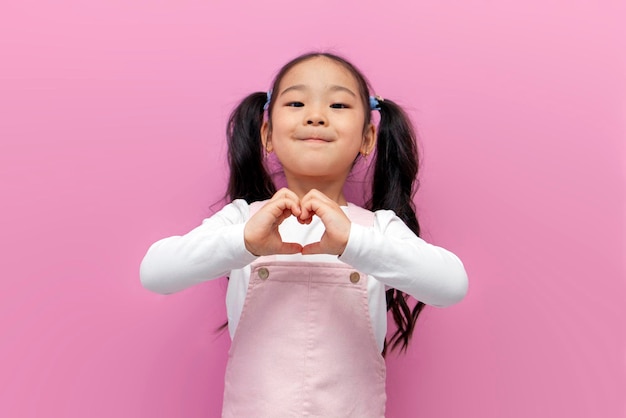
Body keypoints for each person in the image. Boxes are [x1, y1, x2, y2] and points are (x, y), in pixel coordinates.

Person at [140, 52, 468, 418]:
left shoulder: (377, 230)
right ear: (267, 133)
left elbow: (451, 285)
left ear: (368, 137)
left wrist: (352, 243)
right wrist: (244, 243)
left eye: (339, 104)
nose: (316, 115)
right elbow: (155, 273)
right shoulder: (242, 221)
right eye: (296, 102)